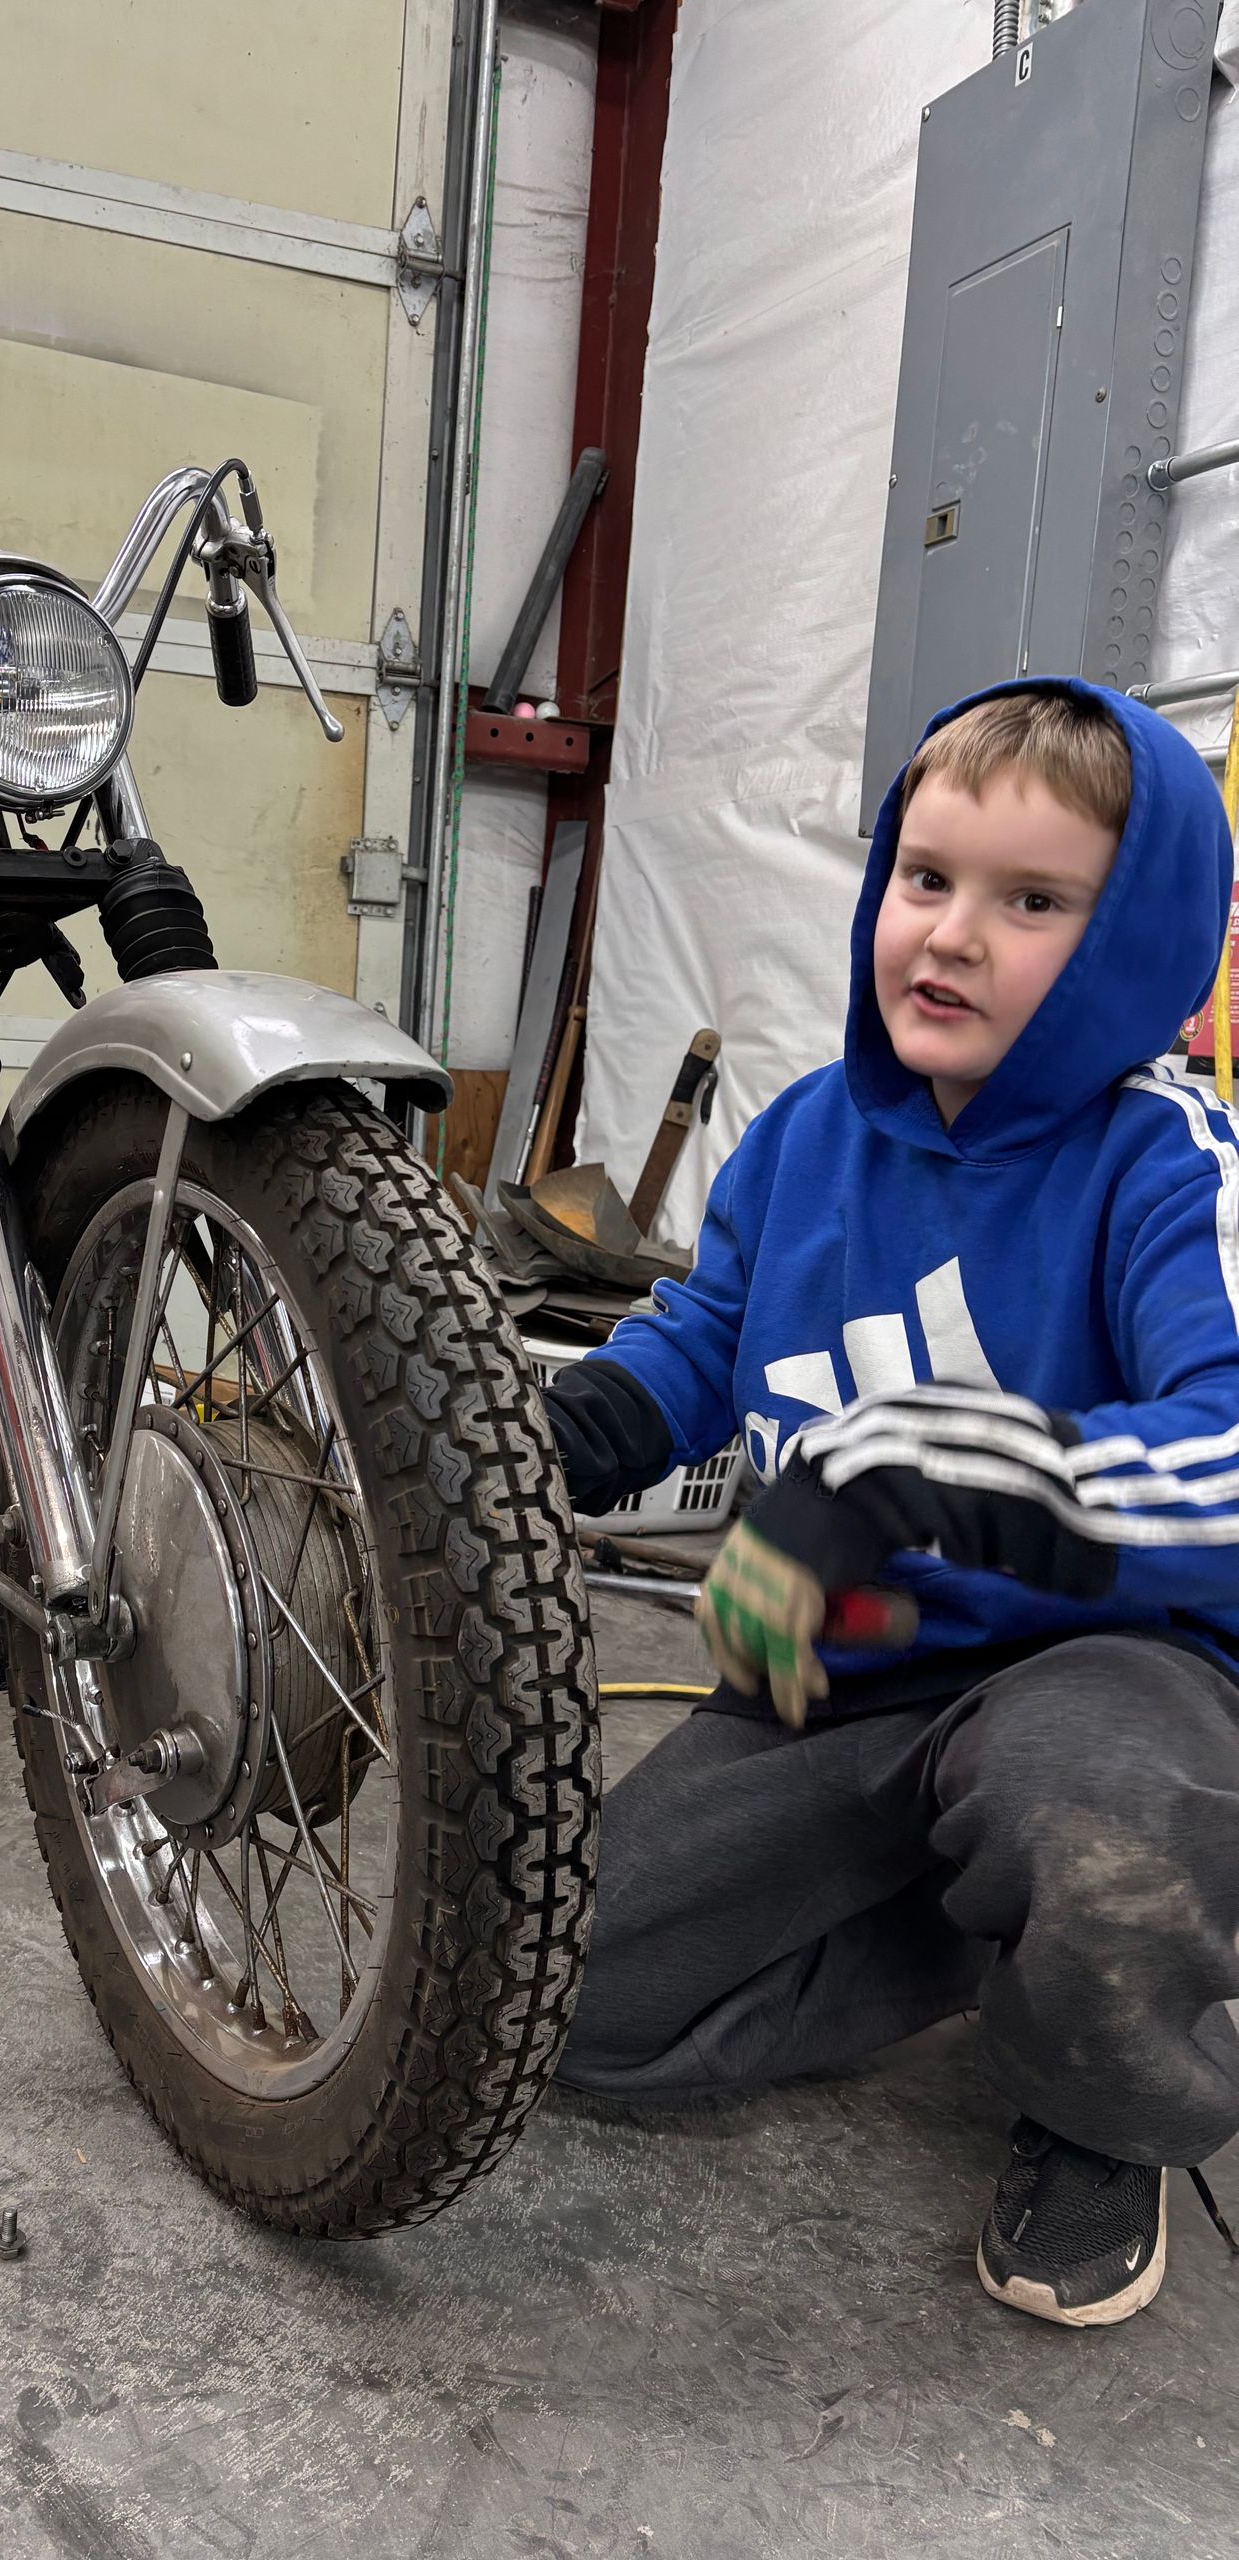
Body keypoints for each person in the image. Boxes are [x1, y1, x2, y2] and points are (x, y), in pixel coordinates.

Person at [544, 678, 1239, 2328]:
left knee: (1097, 1819)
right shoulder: (799, 1138)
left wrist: (915, 1474)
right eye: (926, 880)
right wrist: (529, 1442)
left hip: (1104, 1673)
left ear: (1140, 935)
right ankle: (967, 1926)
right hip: (837, 1682)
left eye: (1035, 901)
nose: (954, 935)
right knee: (561, 2005)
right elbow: (700, 1343)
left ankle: (1098, 2104)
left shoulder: (1168, 1164)